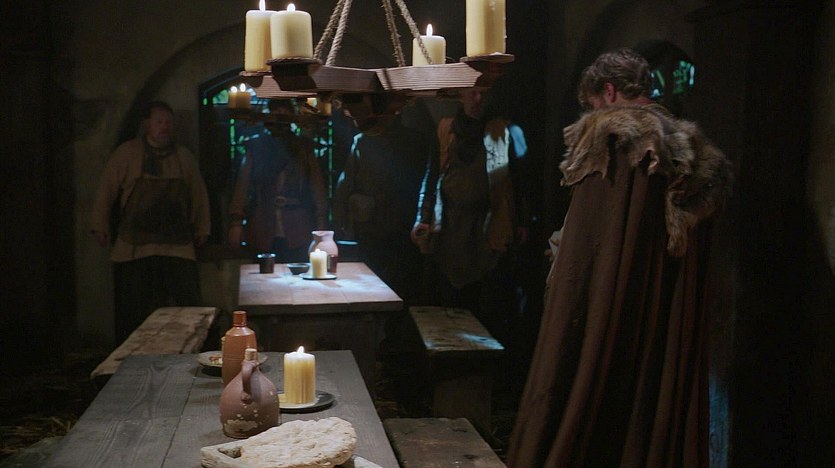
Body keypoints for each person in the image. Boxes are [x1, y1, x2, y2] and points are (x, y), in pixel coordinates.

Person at [507, 48, 733, 467]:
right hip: (662, 326)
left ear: (609, 92)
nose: (594, 113)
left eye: (594, 104)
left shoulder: (616, 140)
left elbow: (590, 254)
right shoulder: (695, 155)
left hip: (612, 317)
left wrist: (565, 273)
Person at [409, 88, 530, 341]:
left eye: (483, 94)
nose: (478, 100)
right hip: (451, 225)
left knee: (485, 298)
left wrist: (520, 220)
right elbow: (432, 176)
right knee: (448, 297)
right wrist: (423, 217)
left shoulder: (503, 131)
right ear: (461, 95)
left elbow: (516, 181)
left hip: (486, 225)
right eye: (473, 93)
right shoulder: (446, 129)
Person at [90, 100, 211, 343]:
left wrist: (202, 227)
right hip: (135, 246)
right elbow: (106, 190)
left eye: (168, 122)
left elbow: (198, 195)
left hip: (176, 245)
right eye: (159, 122)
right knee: (132, 310)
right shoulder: (127, 153)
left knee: (189, 307)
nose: (164, 127)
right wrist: (99, 225)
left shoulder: (184, 157)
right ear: (147, 124)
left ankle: (192, 352)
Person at [333, 107, 431, 305]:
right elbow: (346, 183)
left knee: (401, 282)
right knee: (372, 279)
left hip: (402, 225)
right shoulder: (363, 141)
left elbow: (426, 181)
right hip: (372, 225)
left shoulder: (415, 141)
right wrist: (339, 219)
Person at [227, 100, 328, 263]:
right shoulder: (256, 147)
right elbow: (243, 186)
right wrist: (236, 222)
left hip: (297, 227)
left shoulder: (303, 148)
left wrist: (321, 222)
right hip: (263, 225)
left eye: (283, 115)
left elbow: (317, 187)